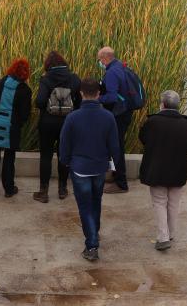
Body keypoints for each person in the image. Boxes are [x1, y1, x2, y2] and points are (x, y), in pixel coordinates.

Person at [59, 78, 120, 262]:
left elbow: (64, 145)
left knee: (85, 206)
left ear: (81, 93)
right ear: (99, 94)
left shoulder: (72, 117)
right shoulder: (108, 117)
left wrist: (66, 162)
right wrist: (115, 166)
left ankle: (92, 244)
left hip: (79, 168)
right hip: (100, 167)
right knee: (96, 201)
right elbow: (115, 146)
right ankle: (95, 232)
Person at [138, 90, 187, 251]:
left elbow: (142, 139)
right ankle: (170, 234)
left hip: (155, 170)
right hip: (178, 171)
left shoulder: (151, 123)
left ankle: (163, 237)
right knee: (173, 204)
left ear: (162, 104)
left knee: (159, 202)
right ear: (177, 106)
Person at [32, 51, 82, 203]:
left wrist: (47, 106)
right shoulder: (74, 78)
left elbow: (40, 101)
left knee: (46, 155)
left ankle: (43, 191)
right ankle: (62, 189)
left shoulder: (46, 79)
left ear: (48, 64)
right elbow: (79, 101)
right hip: (68, 123)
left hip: (47, 123)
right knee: (64, 155)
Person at [0, 58, 32, 199]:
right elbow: (25, 115)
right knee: (9, 159)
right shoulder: (25, 90)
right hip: (12, 129)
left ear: (12, 69)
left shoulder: (0, 83)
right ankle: (9, 189)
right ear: (25, 73)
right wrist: (18, 124)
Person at [97, 46, 132, 194]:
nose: (99, 62)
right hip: (125, 111)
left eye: (99, 59)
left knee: (117, 147)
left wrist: (98, 98)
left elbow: (111, 97)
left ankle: (121, 183)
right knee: (116, 145)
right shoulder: (120, 66)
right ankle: (115, 174)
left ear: (105, 58)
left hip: (119, 114)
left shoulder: (111, 73)